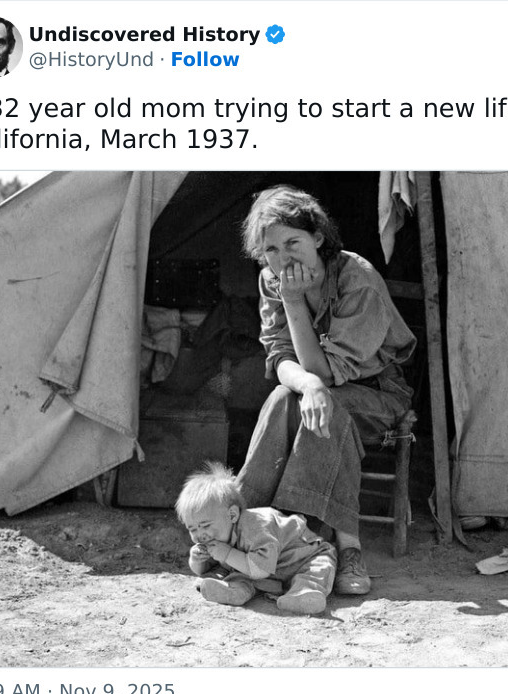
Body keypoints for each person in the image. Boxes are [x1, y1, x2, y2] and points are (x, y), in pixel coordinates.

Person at [237, 185, 416, 596]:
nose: (283, 259)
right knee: (284, 397)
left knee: (326, 406)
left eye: (293, 243)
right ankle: (249, 526)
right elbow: (281, 357)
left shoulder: (359, 280)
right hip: (317, 391)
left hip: (378, 394)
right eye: (271, 250)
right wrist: (309, 384)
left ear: (318, 238)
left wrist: (295, 302)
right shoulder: (272, 280)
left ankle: (335, 544)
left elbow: (327, 371)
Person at [176, 462, 337, 615]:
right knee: (239, 573)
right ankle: (233, 591)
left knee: (317, 570)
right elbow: (208, 567)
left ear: (232, 515)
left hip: (304, 558)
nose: (200, 534)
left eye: (205, 525)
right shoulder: (219, 536)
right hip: (264, 570)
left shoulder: (256, 528)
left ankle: (304, 595)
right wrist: (197, 560)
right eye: (192, 528)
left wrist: (226, 554)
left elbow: (261, 569)